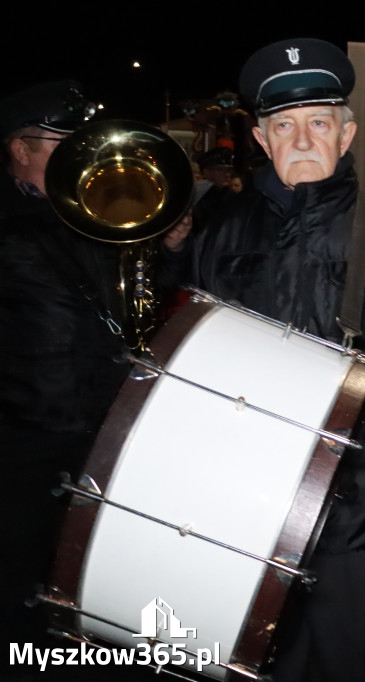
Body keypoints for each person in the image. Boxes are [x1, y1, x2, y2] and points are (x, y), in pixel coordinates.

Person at [166, 38, 365, 682]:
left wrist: (363, 422)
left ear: (345, 134)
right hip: (247, 491)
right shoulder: (221, 228)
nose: (302, 139)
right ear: (261, 139)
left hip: (355, 496)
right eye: (284, 125)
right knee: (260, 659)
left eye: (319, 122)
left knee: (355, 657)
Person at [0, 81, 128, 650]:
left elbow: (128, 307)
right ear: (19, 149)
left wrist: (166, 251)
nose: (77, 153)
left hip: (97, 417)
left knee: (90, 562)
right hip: (23, 430)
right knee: (21, 563)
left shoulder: (92, 213)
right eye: (60, 141)